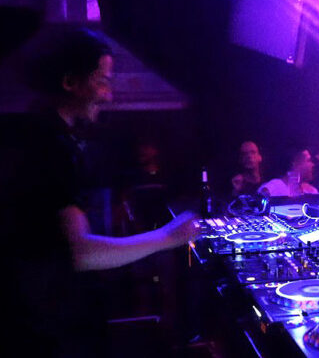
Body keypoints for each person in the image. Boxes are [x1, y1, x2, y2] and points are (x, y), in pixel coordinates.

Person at [2, 28, 198, 356]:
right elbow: (82, 253)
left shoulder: (46, 135)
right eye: (102, 81)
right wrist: (169, 236)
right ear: (70, 82)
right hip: (45, 331)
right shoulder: (49, 146)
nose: (108, 95)